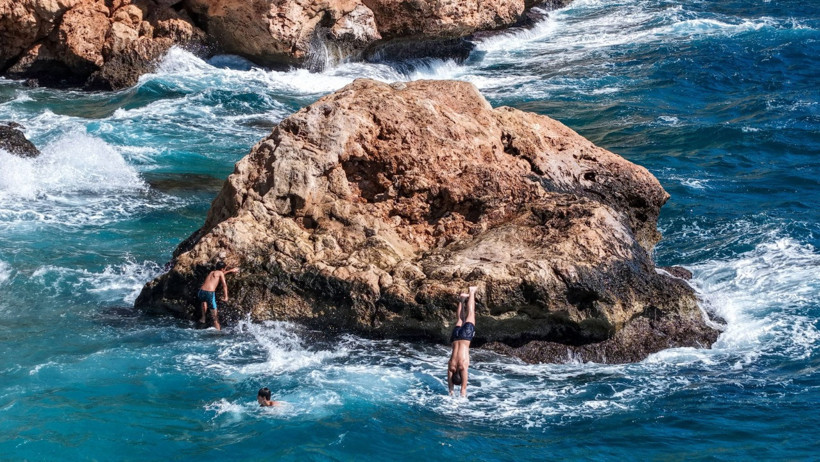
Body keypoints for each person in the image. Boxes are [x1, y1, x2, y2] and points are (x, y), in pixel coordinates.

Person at [448, 286, 477, 397]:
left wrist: (461, 397)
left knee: (470, 313)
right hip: (455, 337)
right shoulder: (451, 366)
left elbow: (463, 389)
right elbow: (450, 387)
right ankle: (461, 299)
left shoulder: (463, 366)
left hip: (466, 337)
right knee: (460, 319)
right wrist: (451, 391)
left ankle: (472, 291)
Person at [197, 261, 238, 330]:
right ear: (222, 268)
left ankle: (203, 318)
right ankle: (218, 332)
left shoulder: (211, 272)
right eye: (225, 268)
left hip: (201, 292)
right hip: (209, 293)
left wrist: (230, 271)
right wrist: (226, 297)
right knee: (215, 318)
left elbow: (219, 275)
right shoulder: (221, 273)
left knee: (204, 301)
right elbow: (224, 285)